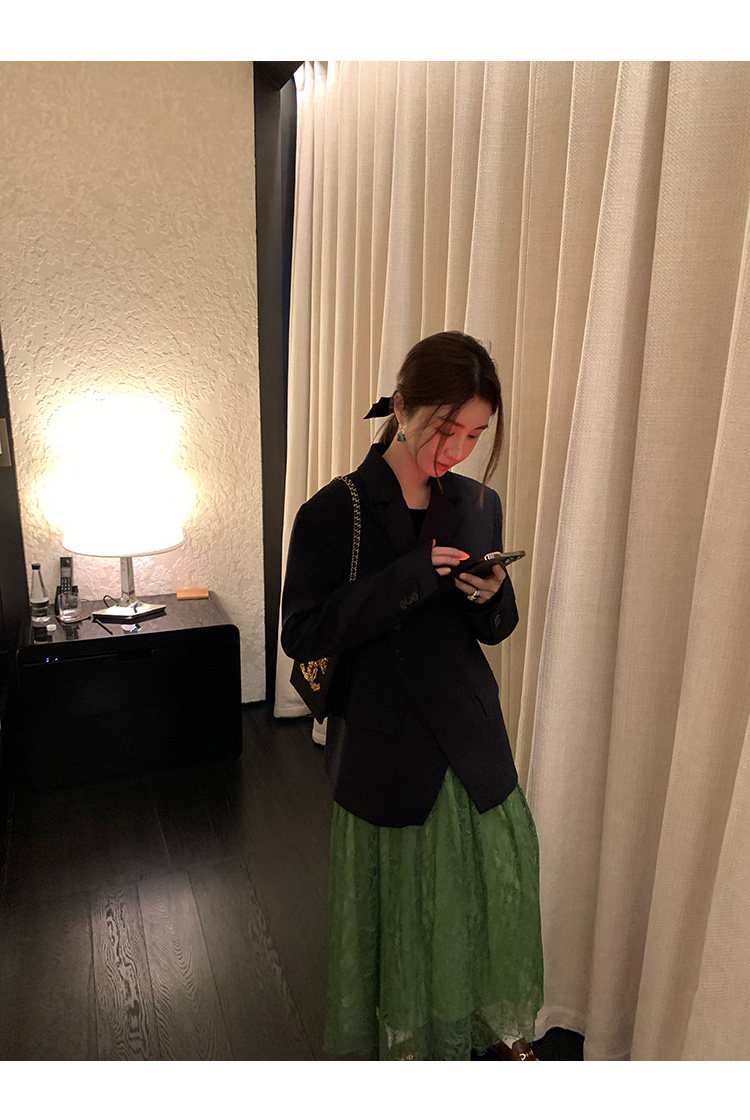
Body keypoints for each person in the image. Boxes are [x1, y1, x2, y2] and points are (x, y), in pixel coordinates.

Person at [281, 330, 544, 1061]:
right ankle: (405, 1047)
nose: (457, 449)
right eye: (445, 429)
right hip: (385, 743)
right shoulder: (333, 511)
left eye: (475, 435)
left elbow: (493, 629)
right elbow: (302, 633)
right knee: (399, 911)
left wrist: (492, 594)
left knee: (481, 896)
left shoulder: (478, 503)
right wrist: (408, 579)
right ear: (400, 408)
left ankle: (474, 1031)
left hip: (469, 735)